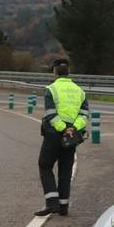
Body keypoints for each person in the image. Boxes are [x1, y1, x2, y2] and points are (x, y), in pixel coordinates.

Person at [35, 59, 89, 216]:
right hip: (71, 137)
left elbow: (51, 113)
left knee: (45, 165)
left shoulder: (51, 89)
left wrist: (63, 129)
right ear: (69, 72)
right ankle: (63, 207)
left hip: (54, 134)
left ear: (55, 72)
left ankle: (52, 203)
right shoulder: (79, 91)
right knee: (65, 170)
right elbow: (84, 115)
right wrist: (73, 129)